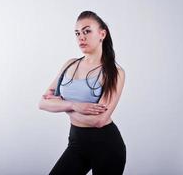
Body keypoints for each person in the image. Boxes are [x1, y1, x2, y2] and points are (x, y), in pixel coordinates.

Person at [39, 10, 126, 175]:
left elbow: (99, 120)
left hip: (107, 146)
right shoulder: (70, 65)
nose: (81, 37)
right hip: (76, 144)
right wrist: (73, 105)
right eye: (77, 33)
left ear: (102, 34)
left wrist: (61, 105)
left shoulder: (114, 72)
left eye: (87, 31)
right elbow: (42, 103)